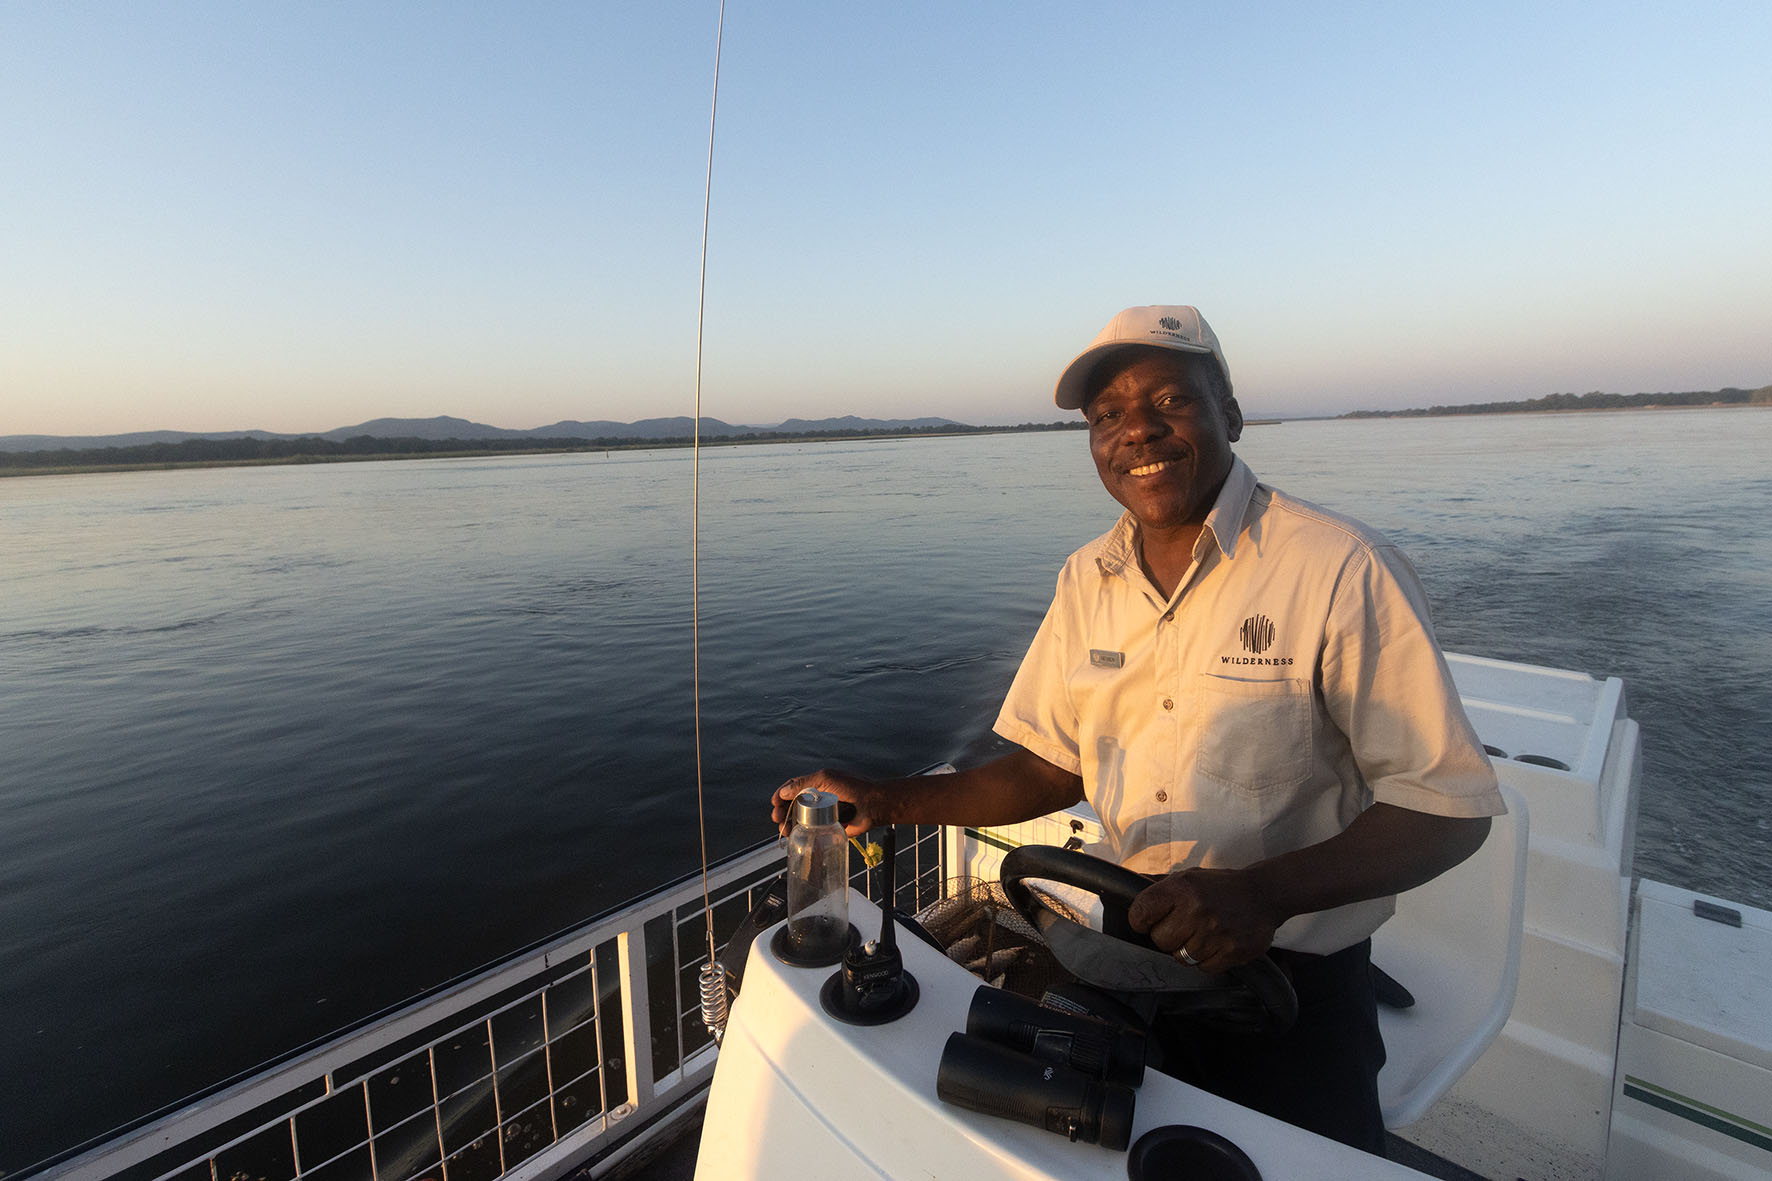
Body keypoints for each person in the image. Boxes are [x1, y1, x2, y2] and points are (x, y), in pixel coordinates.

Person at [769, 304, 1505, 1154]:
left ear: (1229, 411)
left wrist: (1262, 895)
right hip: (1132, 950)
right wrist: (887, 797)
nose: (1137, 432)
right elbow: (1049, 767)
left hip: (1291, 985)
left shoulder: (1338, 569)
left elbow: (1448, 808)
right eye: (1107, 415)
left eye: (1169, 400)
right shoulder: (1089, 577)